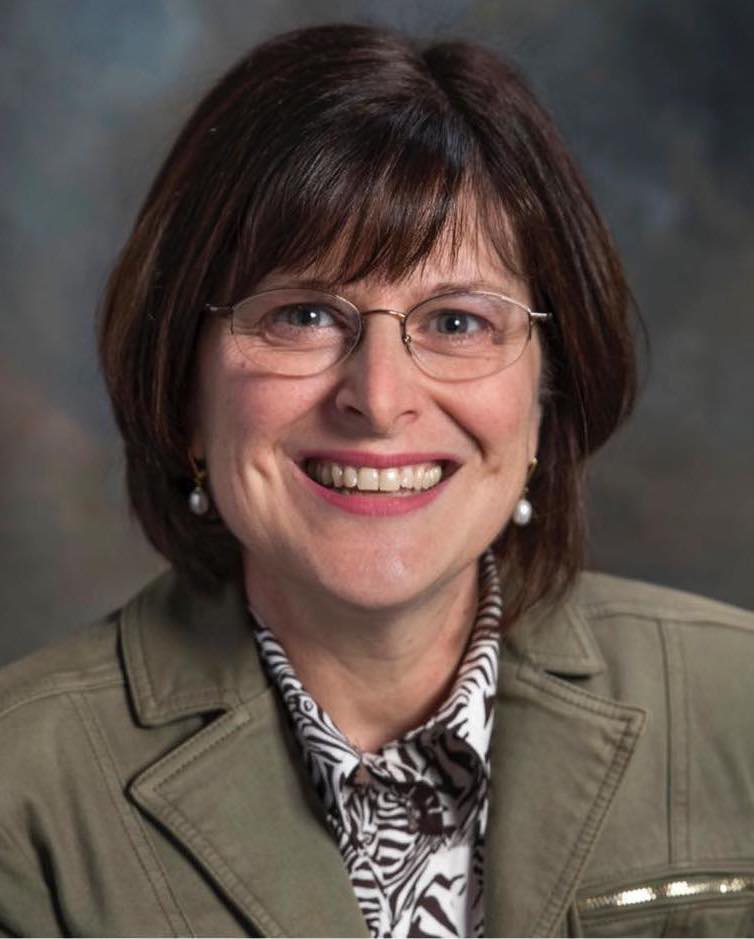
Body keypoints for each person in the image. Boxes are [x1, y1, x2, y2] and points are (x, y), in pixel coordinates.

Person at [0, 22, 752, 939]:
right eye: (305, 314)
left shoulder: (737, 707)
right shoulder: (22, 793)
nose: (381, 397)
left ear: (545, 396)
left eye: (459, 321)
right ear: (186, 390)